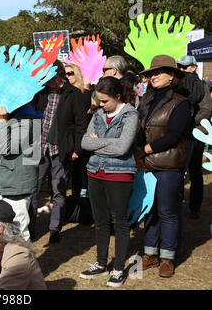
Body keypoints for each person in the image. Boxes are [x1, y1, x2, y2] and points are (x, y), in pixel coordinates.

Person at [79, 76, 139, 287]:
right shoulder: (98, 115)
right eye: (99, 101)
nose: (100, 105)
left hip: (120, 174)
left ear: (117, 96)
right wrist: (106, 143)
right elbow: (85, 142)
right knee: (101, 221)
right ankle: (101, 263)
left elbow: (123, 148)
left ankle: (118, 268)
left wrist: (97, 143)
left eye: (105, 101)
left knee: (120, 222)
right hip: (95, 172)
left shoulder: (131, 115)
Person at [136, 55, 190, 278]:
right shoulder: (145, 100)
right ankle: (150, 253)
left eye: (159, 72)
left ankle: (167, 257)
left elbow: (175, 136)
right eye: (150, 73)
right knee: (150, 212)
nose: (153, 76)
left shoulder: (181, 102)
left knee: (168, 212)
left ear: (172, 76)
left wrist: (146, 149)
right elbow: (139, 129)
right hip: (146, 165)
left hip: (168, 165)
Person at [28, 60, 89, 244]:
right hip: (39, 148)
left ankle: (55, 228)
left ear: (60, 75)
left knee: (58, 189)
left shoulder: (73, 94)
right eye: (45, 77)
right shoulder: (40, 93)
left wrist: (77, 149)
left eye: (52, 77)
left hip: (61, 149)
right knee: (33, 189)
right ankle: (29, 228)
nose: (49, 81)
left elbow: (81, 123)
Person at [0, 105, 40, 242]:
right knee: (7, 229)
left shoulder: (26, 120)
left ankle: (24, 262)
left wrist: (2, 121)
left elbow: (6, 149)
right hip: (8, 180)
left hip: (16, 183)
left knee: (18, 229)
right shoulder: (16, 117)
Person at [176, 55, 210, 220]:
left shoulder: (202, 86)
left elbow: (206, 110)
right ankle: (177, 202)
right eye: (179, 67)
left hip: (195, 132)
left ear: (193, 67)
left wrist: (189, 120)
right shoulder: (178, 84)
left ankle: (195, 207)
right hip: (180, 132)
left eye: (184, 67)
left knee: (195, 171)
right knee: (179, 169)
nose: (181, 69)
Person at [64, 62, 91, 197]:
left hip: (79, 138)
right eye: (64, 74)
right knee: (70, 174)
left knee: (80, 171)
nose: (67, 76)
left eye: (70, 73)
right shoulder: (62, 93)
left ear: (77, 74)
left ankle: (82, 201)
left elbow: (82, 120)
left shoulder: (84, 93)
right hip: (66, 138)